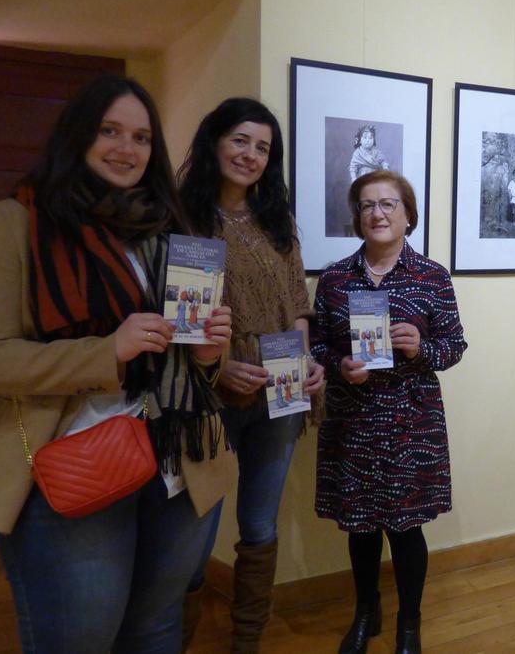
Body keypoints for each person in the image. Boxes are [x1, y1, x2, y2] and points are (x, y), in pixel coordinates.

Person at [0, 74, 234, 652]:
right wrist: (108, 352)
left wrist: (207, 354)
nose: (127, 150)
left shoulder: (170, 230)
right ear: (77, 135)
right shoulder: (10, 224)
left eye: (142, 137)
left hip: (179, 457)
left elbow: (184, 360)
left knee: (157, 628)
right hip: (74, 461)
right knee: (78, 640)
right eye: (110, 131)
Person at [176, 97, 325, 652]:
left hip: (279, 395)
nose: (251, 155)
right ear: (214, 140)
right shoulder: (181, 219)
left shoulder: (276, 222)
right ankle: (178, 638)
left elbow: (298, 309)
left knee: (259, 526)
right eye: (241, 140)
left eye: (263, 147)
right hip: (207, 395)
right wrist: (215, 373)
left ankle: (246, 641)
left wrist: (308, 365)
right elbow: (181, 325)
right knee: (194, 537)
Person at [311, 170, 467, 654]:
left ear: (407, 215)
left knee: (405, 529)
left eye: (388, 204)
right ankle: (365, 613)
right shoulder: (335, 278)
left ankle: (409, 625)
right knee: (359, 527)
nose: (377, 213)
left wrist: (422, 349)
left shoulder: (432, 277)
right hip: (352, 421)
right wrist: (339, 365)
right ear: (357, 217)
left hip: (410, 421)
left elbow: (455, 346)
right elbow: (315, 345)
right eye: (366, 206)